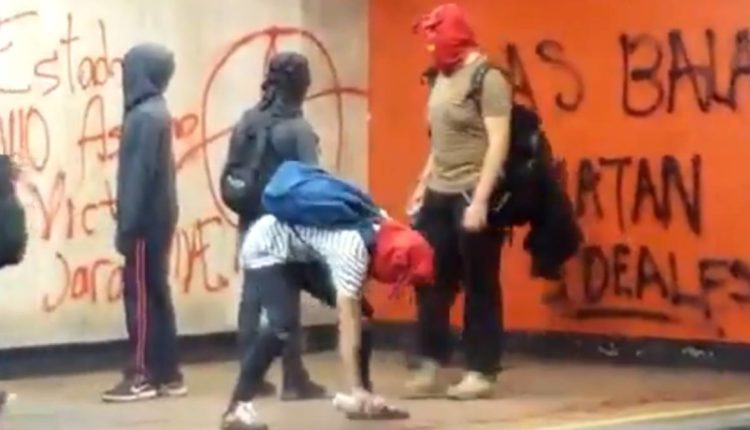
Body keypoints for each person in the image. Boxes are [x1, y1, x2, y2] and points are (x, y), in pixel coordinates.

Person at [220, 211, 432, 430]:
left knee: (363, 314)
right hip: (267, 247)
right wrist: (354, 384)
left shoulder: (384, 225)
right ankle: (236, 408)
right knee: (280, 326)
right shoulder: (351, 250)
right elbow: (348, 324)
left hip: (302, 252)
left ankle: (363, 400)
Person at [407, 3, 512, 400]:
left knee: (479, 282)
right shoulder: (440, 78)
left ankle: (481, 370)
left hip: (472, 188)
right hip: (440, 190)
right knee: (431, 279)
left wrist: (480, 201)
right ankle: (429, 361)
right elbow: (440, 140)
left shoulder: (488, 79)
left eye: (435, 39)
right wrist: (423, 183)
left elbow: (497, 142)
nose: (430, 47)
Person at [221, 52, 325, 400]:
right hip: (284, 223)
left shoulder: (248, 121)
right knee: (287, 300)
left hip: (250, 219)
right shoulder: (298, 129)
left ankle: (251, 375)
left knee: (252, 297)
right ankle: (294, 378)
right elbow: (312, 183)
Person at [102, 43, 185, 403]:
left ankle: (141, 374)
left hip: (142, 224)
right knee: (157, 294)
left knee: (139, 299)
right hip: (159, 220)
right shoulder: (158, 112)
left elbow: (137, 177)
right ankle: (168, 373)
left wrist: (127, 226)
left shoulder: (142, 118)